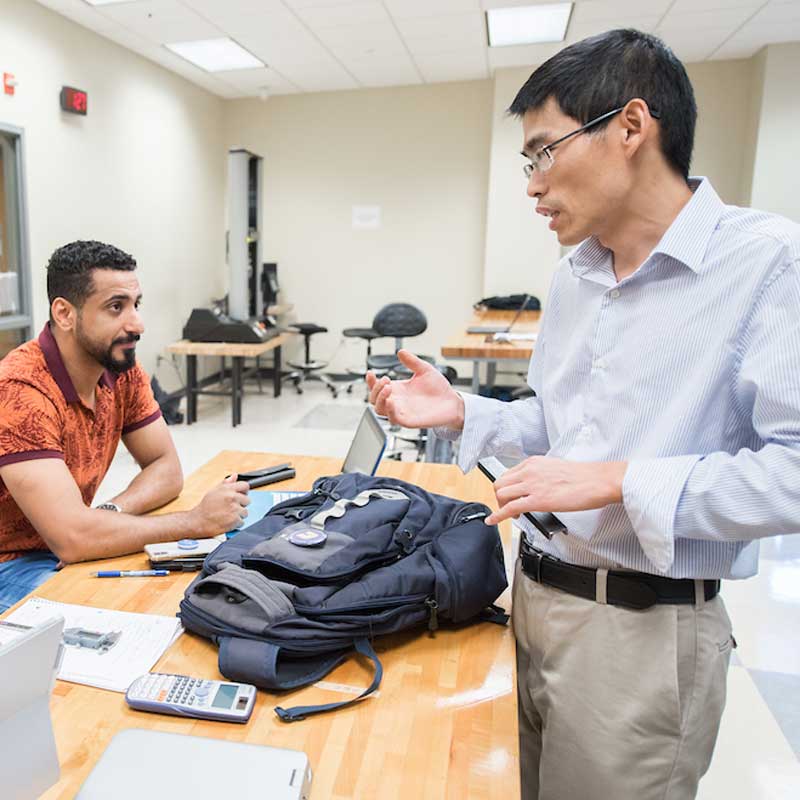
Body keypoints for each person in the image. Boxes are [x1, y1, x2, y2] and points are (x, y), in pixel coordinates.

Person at [367, 29, 800, 800]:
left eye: (543, 153)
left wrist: (621, 481)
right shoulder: (576, 275)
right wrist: (465, 410)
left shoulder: (769, 264)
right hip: (533, 597)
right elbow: (566, 431)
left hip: (639, 632)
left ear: (631, 127)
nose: (532, 185)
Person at [0, 240, 250, 612]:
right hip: (13, 564)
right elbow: (72, 538)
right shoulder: (19, 391)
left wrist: (109, 514)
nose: (137, 324)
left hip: (64, 544)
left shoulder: (120, 370)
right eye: (116, 307)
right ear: (65, 314)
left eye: (136, 305)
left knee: (195, 587)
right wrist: (195, 521)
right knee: (129, 611)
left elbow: (166, 469)